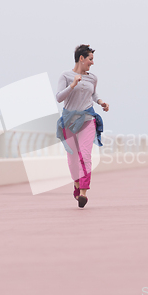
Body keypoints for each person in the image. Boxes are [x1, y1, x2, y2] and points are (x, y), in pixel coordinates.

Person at [56, 45, 109, 208]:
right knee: (72, 159)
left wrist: (100, 102)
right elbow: (58, 98)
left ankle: (83, 193)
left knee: (85, 155)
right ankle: (77, 185)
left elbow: (93, 93)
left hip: (87, 117)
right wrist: (72, 85)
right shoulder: (66, 76)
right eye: (90, 59)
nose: (92, 63)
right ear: (81, 59)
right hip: (69, 120)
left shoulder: (92, 78)